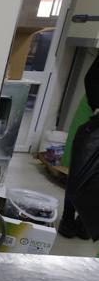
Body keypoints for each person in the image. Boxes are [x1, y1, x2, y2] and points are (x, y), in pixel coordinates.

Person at [57, 53, 99, 239]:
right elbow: (91, 77)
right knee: (79, 171)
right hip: (93, 112)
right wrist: (97, 105)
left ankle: (84, 222)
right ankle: (67, 218)